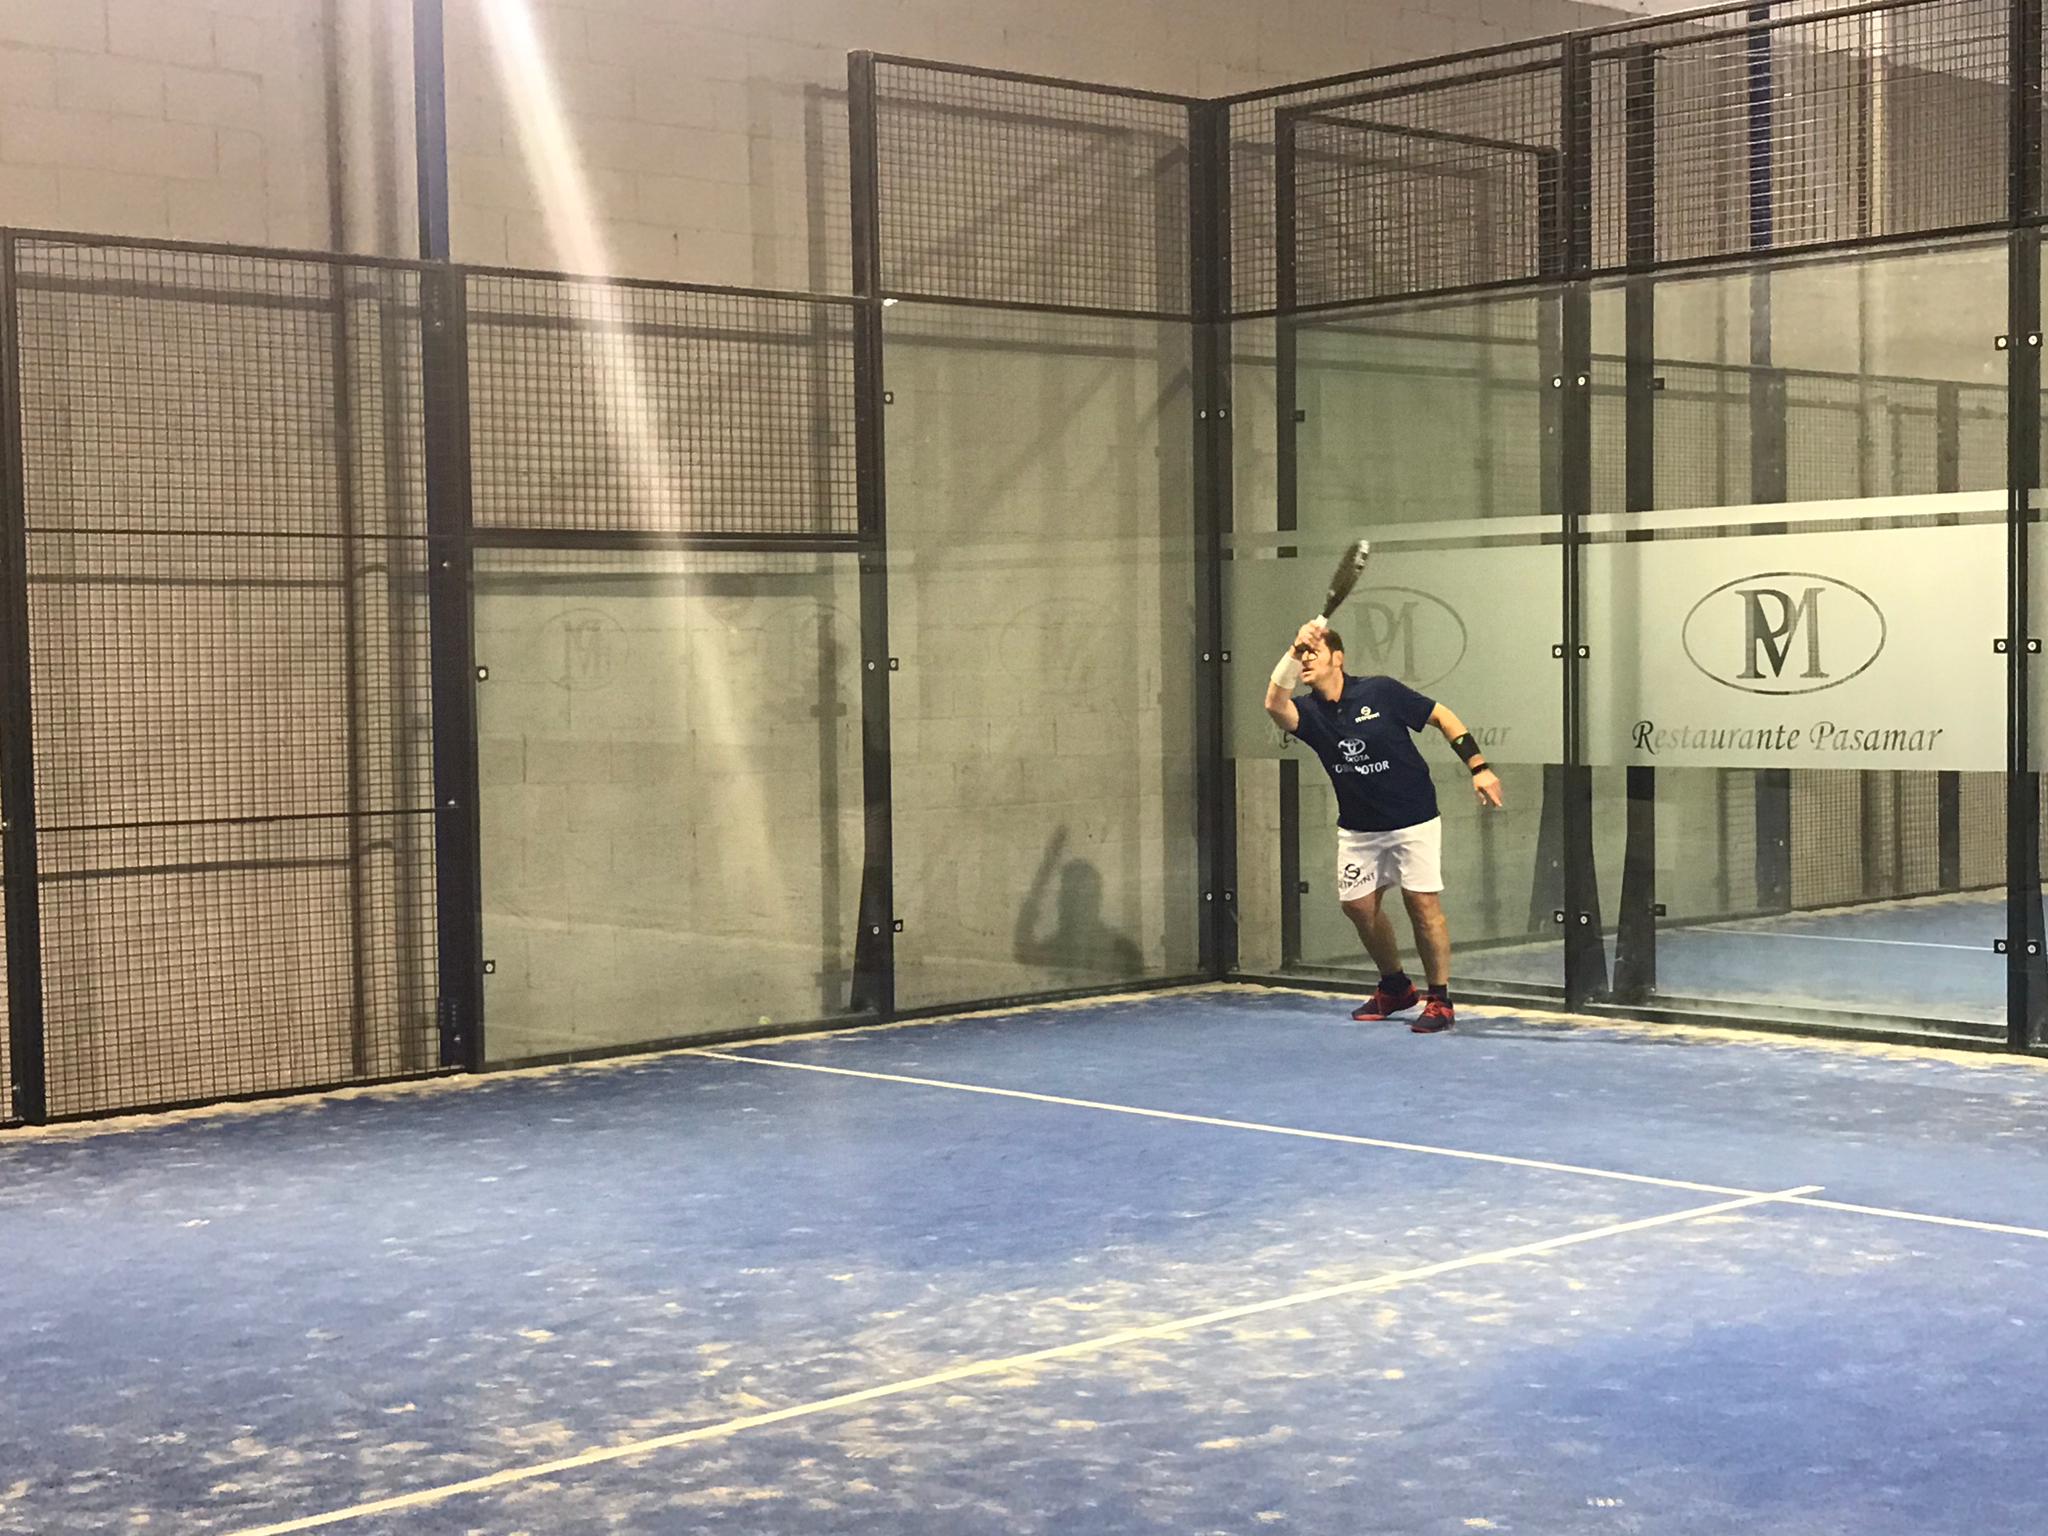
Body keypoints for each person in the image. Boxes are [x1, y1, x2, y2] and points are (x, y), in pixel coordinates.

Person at [1264, 620, 1503, 1033]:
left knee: (1422, 905)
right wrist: (1294, 647)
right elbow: (1273, 703)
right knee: (1357, 906)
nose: (1306, 661)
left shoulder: (1380, 691)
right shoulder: (1308, 713)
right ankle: (1395, 987)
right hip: (1359, 829)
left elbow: (1443, 716)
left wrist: (1479, 767)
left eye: (1314, 653)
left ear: (1338, 659)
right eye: (1302, 656)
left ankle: (1440, 1000)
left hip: (1413, 817)